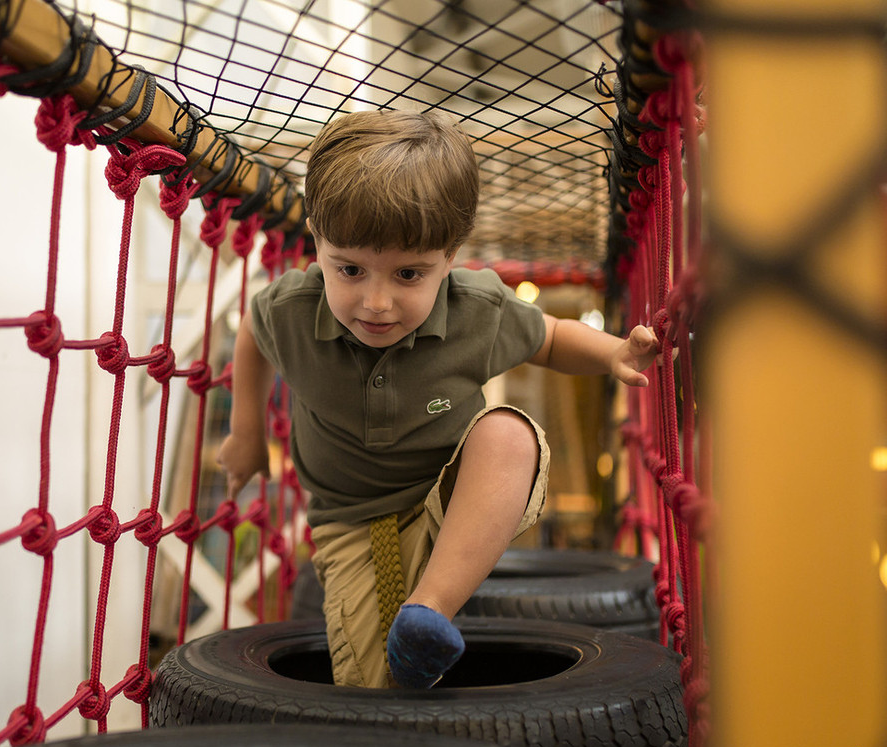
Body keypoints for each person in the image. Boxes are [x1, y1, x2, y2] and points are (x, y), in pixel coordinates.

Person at [217, 109, 658, 690]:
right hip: (350, 521)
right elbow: (253, 332)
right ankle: (414, 641)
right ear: (317, 245)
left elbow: (550, 338)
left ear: (449, 257)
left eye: (408, 275)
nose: (376, 302)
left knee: (509, 433)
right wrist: (247, 433)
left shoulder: (475, 310)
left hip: (452, 499)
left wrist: (612, 353)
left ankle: (430, 609)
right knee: (377, 683)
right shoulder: (291, 311)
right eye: (350, 270)